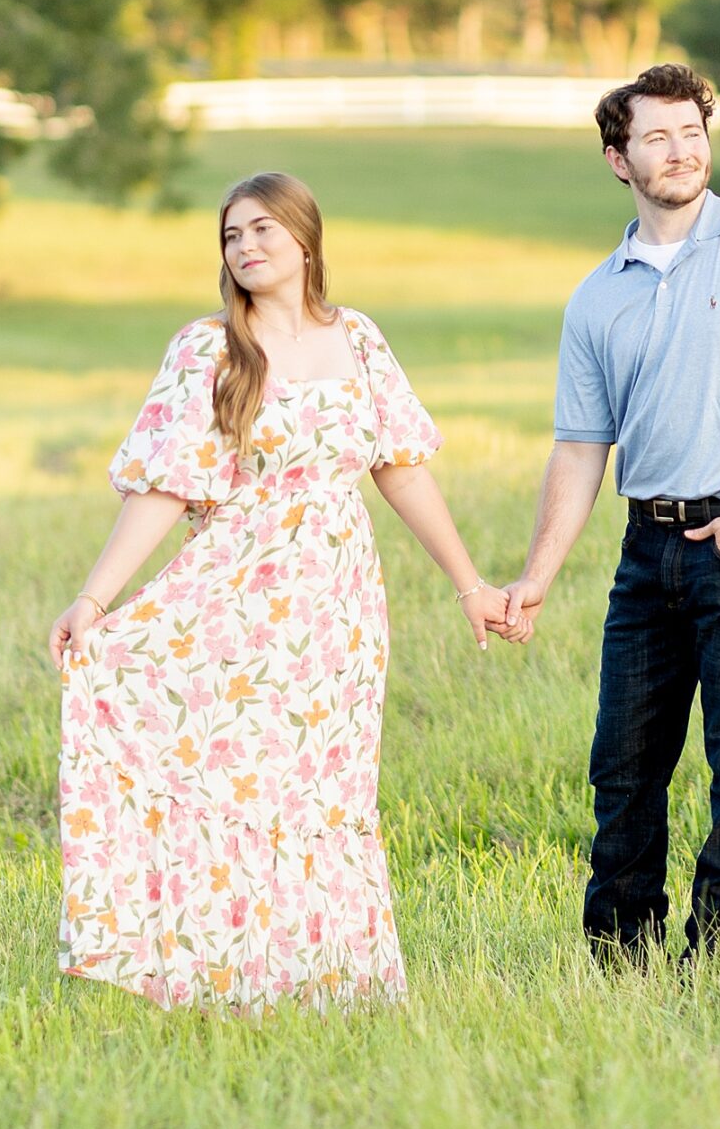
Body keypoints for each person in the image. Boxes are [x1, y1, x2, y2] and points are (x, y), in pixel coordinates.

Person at [49, 171, 509, 1014]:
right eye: (231, 236)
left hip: (336, 608)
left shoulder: (359, 340)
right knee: (232, 773)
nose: (246, 246)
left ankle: (322, 978)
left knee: (320, 787)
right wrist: (95, 599)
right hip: (230, 594)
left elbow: (400, 472)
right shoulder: (208, 349)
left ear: (304, 237)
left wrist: (467, 584)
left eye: (262, 228)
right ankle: (212, 969)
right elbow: (162, 486)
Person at [497, 65, 720, 963]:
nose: (679, 150)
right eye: (655, 137)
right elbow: (581, 450)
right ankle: (619, 957)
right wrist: (535, 578)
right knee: (622, 771)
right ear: (618, 159)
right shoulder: (596, 296)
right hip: (643, 553)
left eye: (690, 131)